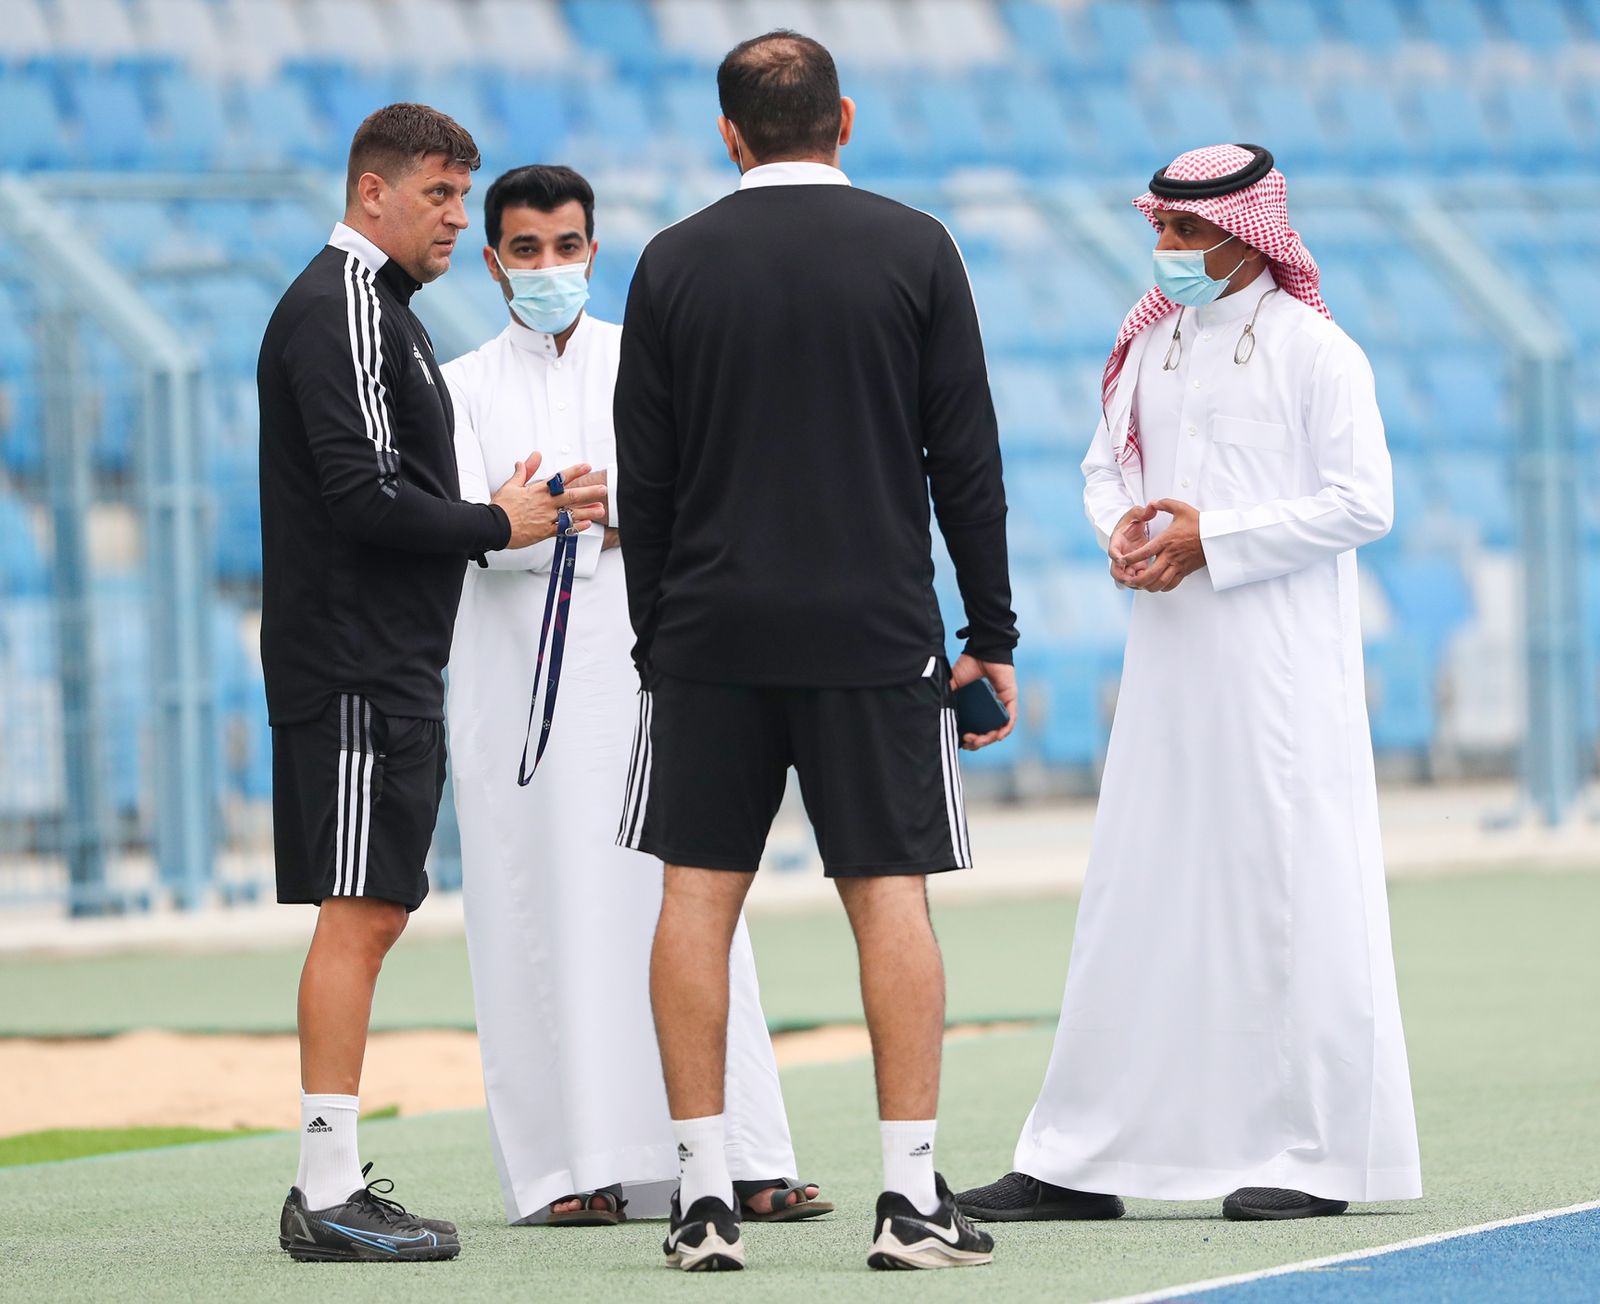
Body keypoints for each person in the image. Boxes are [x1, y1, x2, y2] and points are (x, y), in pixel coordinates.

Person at [957, 143, 1422, 1225]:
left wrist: (1219, 537)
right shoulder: (1151, 344)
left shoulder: (1318, 351)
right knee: (1134, 890)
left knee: (1283, 891)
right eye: (1157, 229)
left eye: (1184, 231)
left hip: (1278, 673)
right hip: (1166, 662)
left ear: (1246, 233)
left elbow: (1364, 501)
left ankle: (1312, 1155)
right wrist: (1119, 526)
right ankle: (1075, 1155)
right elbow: (1101, 467)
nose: (1164, 250)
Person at [614, 31, 1018, 1273]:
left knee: (694, 896)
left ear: (728, 133)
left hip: (710, 631)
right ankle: (908, 1198)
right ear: (842, 118)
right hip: (873, 632)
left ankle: (699, 1198)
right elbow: (967, 458)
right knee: (887, 894)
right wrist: (988, 635)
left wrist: (656, 638)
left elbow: (649, 475)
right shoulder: (915, 246)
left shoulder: (670, 262)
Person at [441, 163, 827, 1229]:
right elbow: (474, 534)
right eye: (526, 250)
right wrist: (560, 516)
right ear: (493, 260)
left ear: (594, 251)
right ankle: (570, 1166)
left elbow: (697, 501)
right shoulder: (461, 382)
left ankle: (745, 1150)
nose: (549, 268)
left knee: (688, 902)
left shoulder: (645, 358)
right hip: (520, 690)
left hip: (657, 668)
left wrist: (576, 512)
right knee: (538, 905)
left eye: (567, 247)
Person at [257, 104, 608, 1263]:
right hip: (354, 661)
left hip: (384, 658)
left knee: (375, 907)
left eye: (463, 197)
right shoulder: (347, 307)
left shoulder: (383, 312)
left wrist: (481, 508)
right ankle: (325, 1186)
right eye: (442, 196)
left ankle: (334, 1175)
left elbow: (387, 484)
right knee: (357, 913)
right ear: (374, 194)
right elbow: (360, 498)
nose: (460, 218)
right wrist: (492, 518)